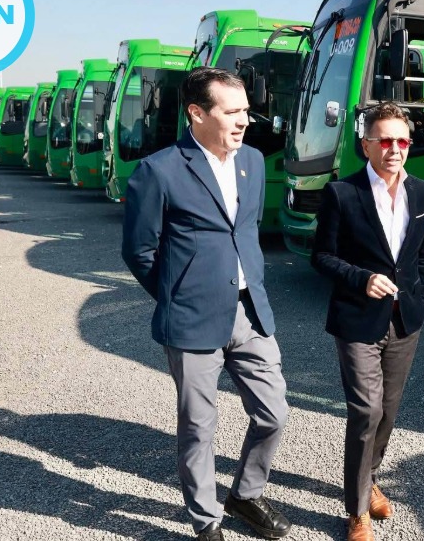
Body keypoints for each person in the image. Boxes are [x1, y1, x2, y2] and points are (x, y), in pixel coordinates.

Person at [122, 66, 292, 541]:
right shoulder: (158, 170)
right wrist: (178, 295)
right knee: (199, 427)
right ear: (197, 113)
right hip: (192, 319)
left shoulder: (253, 162)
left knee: (274, 413)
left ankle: (245, 494)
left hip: (250, 313)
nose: (245, 120)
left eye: (246, 110)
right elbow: (139, 251)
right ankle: (206, 522)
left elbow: (248, 231)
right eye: (232, 111)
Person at [311, 102, 424, 541]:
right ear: (366, 145)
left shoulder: (422, 192)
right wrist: (361, 280)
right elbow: (321, 257)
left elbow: (422, 255)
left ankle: (370, 477)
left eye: (402, 140)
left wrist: (422, 298)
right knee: (366, 410)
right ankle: (357, 510)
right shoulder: (342, 194)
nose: (394, 148)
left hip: (405, 321)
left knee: (389, 412)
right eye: (384, 140)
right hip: (357, 320)